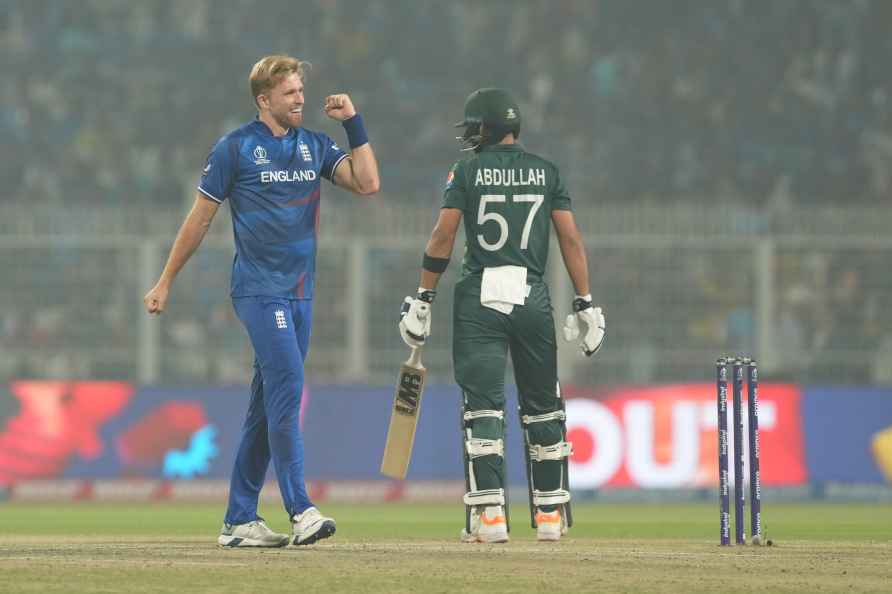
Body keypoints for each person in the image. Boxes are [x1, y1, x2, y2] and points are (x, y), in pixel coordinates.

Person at [143, 54, 379, 547]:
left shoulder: (314, 145)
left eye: (300, 91)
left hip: (301, 293)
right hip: (257, 289)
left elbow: (368, 184)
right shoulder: (235, 148)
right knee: (289, 384)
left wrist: (354, 123)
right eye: (290, 93)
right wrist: (165, 280)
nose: (300, 100)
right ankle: (301, 510)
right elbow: (200, 219)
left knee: (264, 407)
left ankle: (238, 520)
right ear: (264, 99)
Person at [398, 88, 604, 543]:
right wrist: (585, 302)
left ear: (485, 128)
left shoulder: (467, 169)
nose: (469, 135)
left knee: (483, 408)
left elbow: (443, 235)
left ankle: (490, 517)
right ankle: (550, 517)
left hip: (481, 297)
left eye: (473, 127)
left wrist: (423, 296)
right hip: (532, 295)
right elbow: (571, 240)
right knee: (543, 406)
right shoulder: (546, 171)